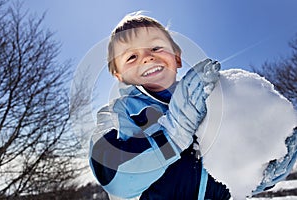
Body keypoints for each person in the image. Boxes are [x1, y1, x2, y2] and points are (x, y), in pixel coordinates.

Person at [89, 12, 231, 200]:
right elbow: (114, 177)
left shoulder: (207, 97)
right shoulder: (118, 113)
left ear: (177, 58)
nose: (147, 57)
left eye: (156, 47)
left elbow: (232, 154)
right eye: (131, 57)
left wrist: (257, 174)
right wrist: (173, 135)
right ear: (119, 74)